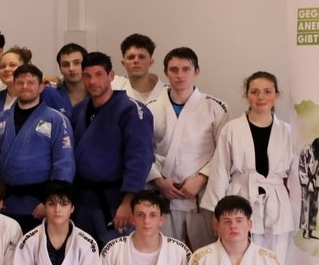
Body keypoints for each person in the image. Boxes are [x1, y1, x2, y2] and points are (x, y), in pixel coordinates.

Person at [202, 71, 296, 264]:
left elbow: (295, 176)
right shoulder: (232, 129)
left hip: (277, 200)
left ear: (277, 95)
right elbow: (219, 171)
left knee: (276, 260)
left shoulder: (288, 132)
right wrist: (217, 212)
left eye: (267, 91)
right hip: (240, 197)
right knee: (240, 259)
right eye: (255, 92)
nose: (261, 97)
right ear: (246, 95)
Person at [146, 47, 229, 249]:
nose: (180, 75)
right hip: (164, 193)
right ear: (166, 72)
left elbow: (225, 152)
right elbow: (141, 151)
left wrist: (201, 179)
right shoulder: (150, 107)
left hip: (201, 194)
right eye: (174, 69)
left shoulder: (216, 107)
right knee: (166, 253)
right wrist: (158, 180)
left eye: (186, 69)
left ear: (196, 71)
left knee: (205, 253)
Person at [69, 51, 155, 245]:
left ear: (111, 75)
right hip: (83, 199)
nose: (93, 81)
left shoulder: (131, 110)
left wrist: (128, 201)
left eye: (99, 74)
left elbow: (140, 158)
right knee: (83, 253)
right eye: (87, 75)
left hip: (115, 200)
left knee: (116, 253)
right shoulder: (79, 110)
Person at [0, 63, 75, 231]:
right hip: (6, 203)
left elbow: (64, 164)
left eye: (31, 82)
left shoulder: (56, 119)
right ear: (14, 86)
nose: (25, 86)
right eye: (20, 82)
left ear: (41, 87)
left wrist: (50, 202)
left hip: (39, 203)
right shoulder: (1, 119)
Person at [0, 46, 71, 117]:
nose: (6, 69)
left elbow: (64, 121)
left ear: (25, 67)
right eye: (2, 66)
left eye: (12, 65)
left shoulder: (45, 92)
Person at [118, 34, 165, 105]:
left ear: (151, 62)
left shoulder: (167, 92)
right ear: (123, 63)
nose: (136, 61)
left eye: (141, 57)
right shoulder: (114, 88)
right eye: (131, 57)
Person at [297, 137, 319, 239]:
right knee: (306, 206)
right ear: (314, 148)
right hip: (306, 180)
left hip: (315, 181)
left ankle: (310, 230)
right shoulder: (306, 151)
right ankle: (304, 231)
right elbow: (302, 167)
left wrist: (317, 184)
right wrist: (307, 182)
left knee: (314, 206)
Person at [55, 42, 88, 107]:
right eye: (65, 65)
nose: (71, 68)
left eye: (76, 63)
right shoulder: (53, 96)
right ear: (60, 69)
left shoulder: (97, 93)